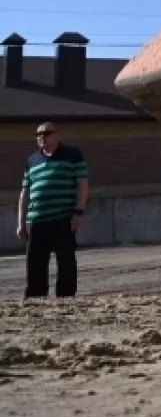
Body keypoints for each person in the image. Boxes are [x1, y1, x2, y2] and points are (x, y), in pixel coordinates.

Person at [16, 122, 89, 298]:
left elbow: (83, 184)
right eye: (38, 134)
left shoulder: (73, 155)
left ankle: (65, 298)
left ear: (58, 135)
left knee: (66, 260)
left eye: (47, 133)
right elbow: (24, 193)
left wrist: (78, 212)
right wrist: (21, 222)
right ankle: (35, 298)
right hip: (37, 220)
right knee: (35, 262)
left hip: (63, 217)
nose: (42, 137)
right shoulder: (32, 160)